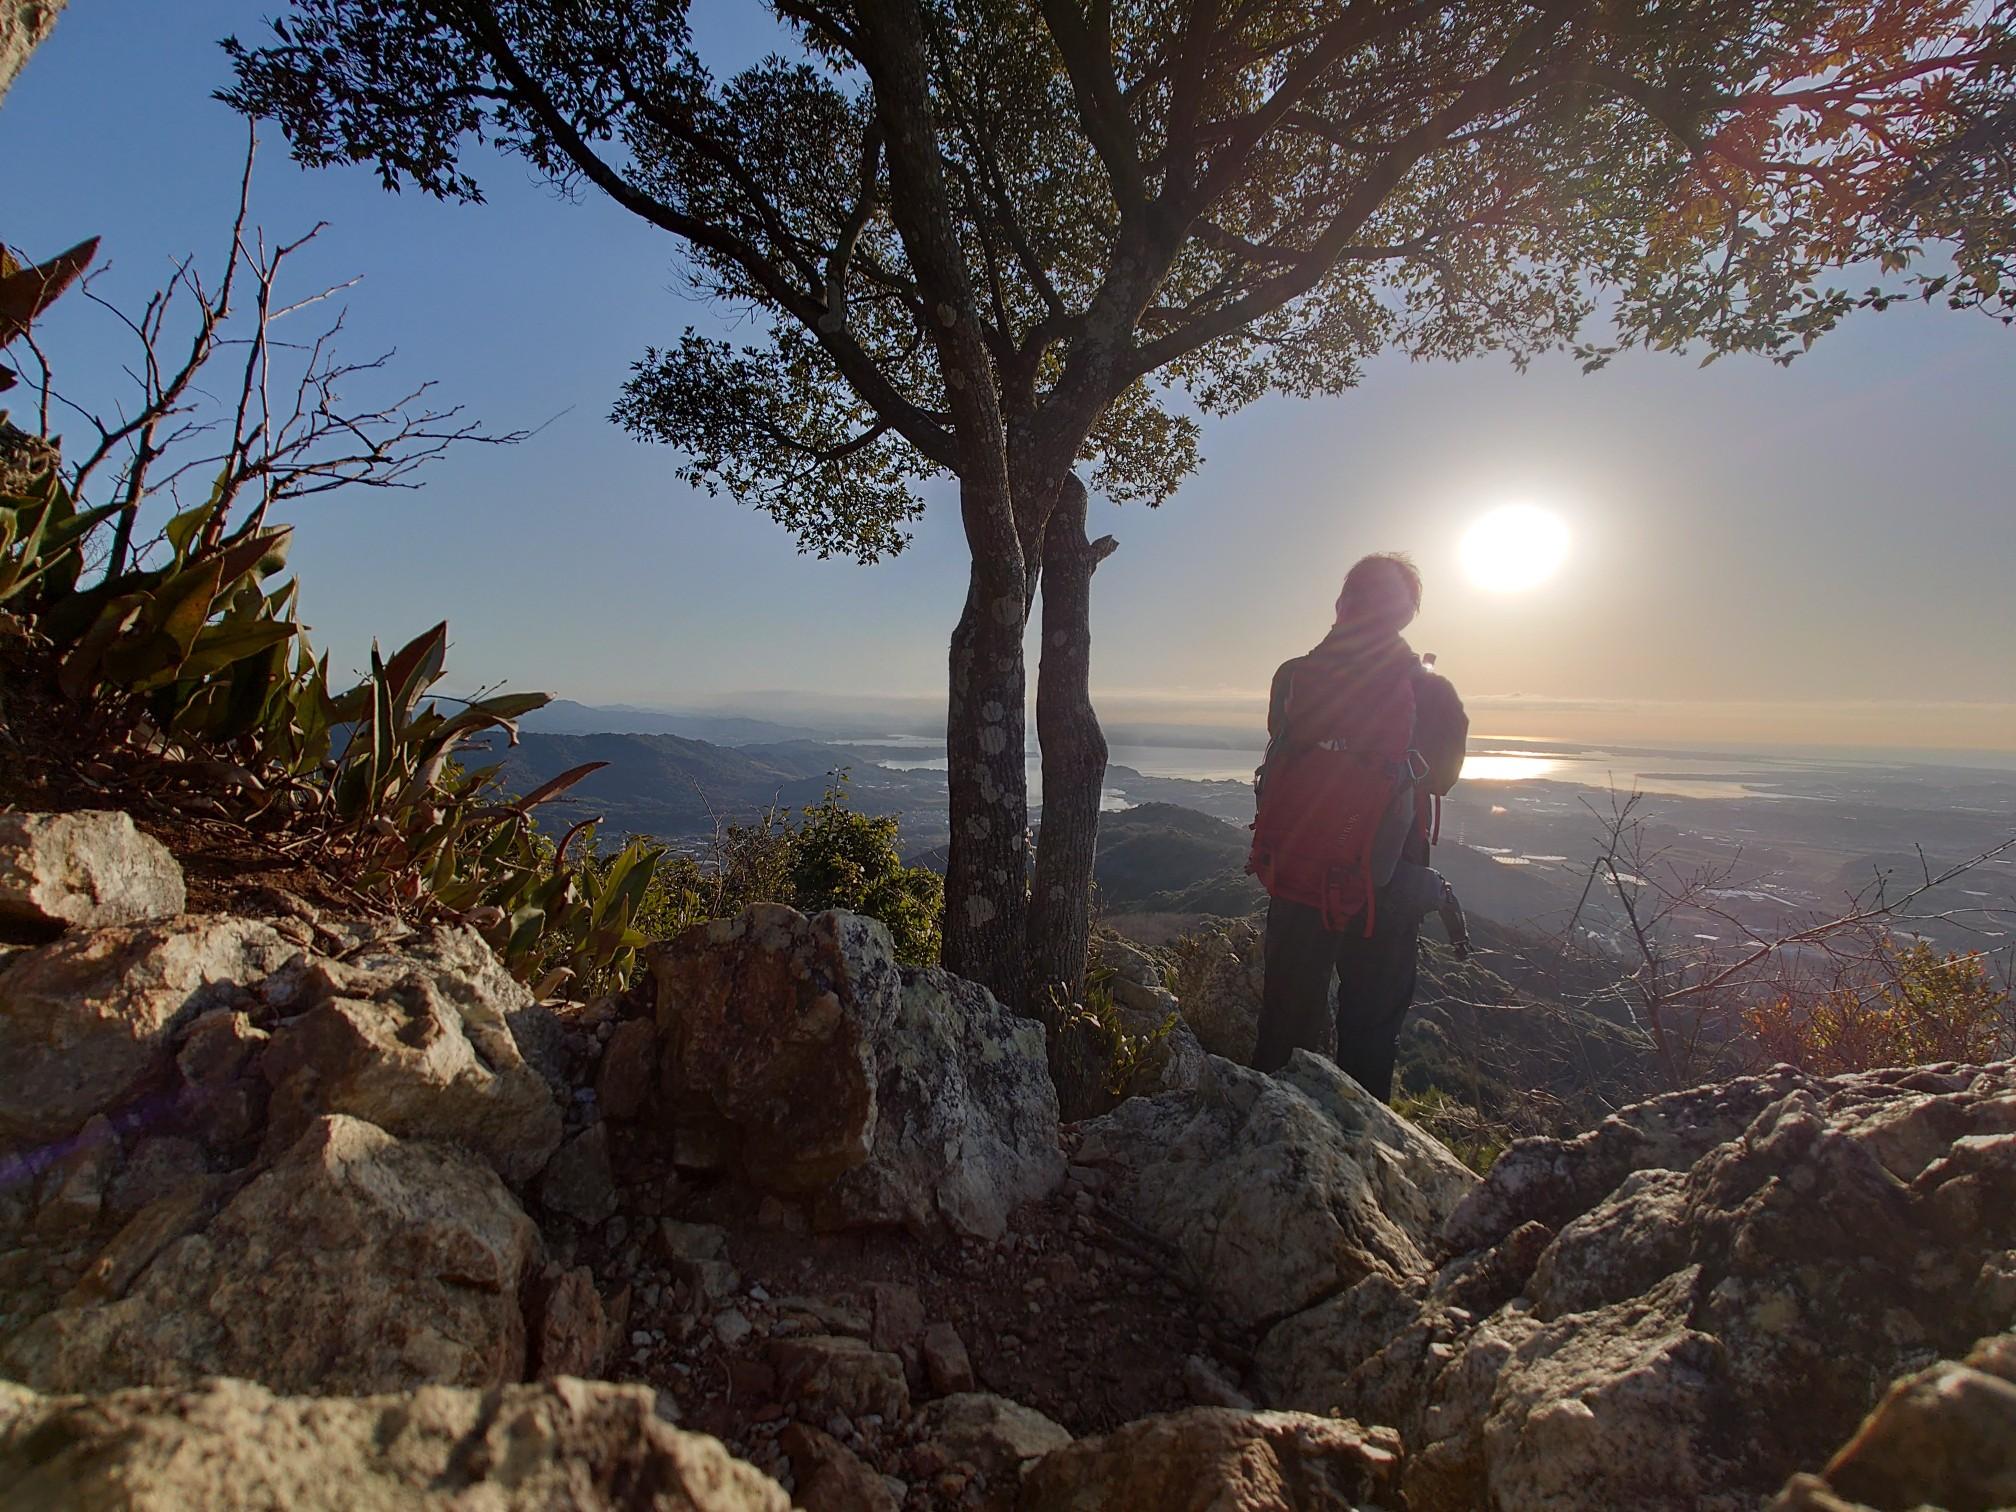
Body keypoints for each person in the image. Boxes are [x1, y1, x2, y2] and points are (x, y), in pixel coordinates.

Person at [1249, 552, 1467, 1099]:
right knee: (1369, 1037)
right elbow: (1442, 778)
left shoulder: (1294, 677)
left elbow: (1285, 747)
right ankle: (1359, 1159)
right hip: (1384, 882)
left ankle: (1267, 1148)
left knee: (1284, 1027)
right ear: (1407, 615)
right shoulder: (1432, 691)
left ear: (1342, 603)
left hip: (1298, 872)